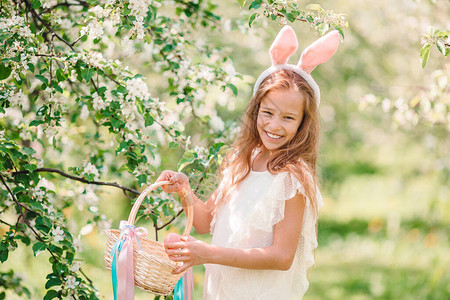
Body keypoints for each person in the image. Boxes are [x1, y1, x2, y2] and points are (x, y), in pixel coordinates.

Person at [157, 25, 341, 299]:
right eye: (268, 112)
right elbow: (207, 223)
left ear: (303, 123)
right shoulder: (243, 161)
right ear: (256, 110)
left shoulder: (292, 179)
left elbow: (281, 256)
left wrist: (208, 253)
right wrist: (185, 191)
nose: (274, 125)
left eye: (288, 118)